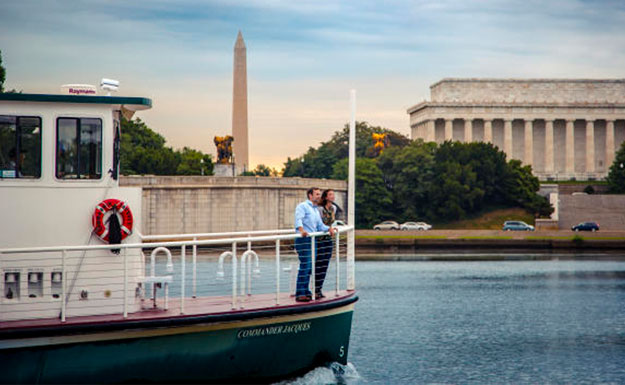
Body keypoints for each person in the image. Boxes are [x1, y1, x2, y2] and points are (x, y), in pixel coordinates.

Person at [294, 187, 335, 302]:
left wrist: (329, 229)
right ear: (310, 196)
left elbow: (320, 226)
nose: (319, 196)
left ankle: (306, 290)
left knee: (310, 267)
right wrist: (301, 230)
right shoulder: (302, 206)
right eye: (317, 194)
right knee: (305, 265)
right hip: (304, 240)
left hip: (313, 240)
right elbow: (298, 220)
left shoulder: (315, 210)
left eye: (319, 194)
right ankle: (300, 293)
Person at [315, 189, 337, 299]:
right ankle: (315, 289)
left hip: (328, 238)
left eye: (333, 194)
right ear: (326, 197)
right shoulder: (319, 209)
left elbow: (331, 222)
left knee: (325, 264)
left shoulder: (334, 208)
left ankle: (319, 289)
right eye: (330, 195)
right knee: (318, 264)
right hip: (319, 239)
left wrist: (332, 228)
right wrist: (328, 228)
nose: (333, 196)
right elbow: (318, 224)